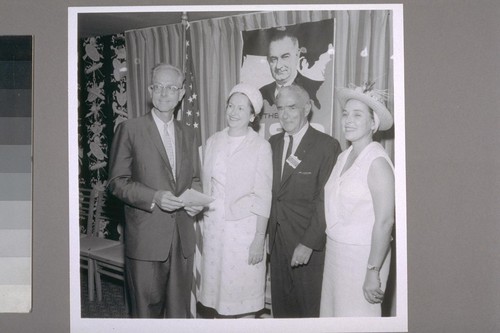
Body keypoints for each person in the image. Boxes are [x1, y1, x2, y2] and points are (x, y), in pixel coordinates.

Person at [107, 63, 203, 318]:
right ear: (150, 91)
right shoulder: (130, 129)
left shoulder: (189, 134)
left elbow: (194, 179)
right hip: (145, 241)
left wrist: (196, 201)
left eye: (171, 87)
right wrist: (154, 197)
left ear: (181, 93)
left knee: (177, 315)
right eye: (158, 87)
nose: (164, 93)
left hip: (182, 241)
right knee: (144, 314)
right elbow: (117, 182)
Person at [320, 83, 395, 317]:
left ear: (373, 124)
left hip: (363, 259)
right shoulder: (344, 156)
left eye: (357, 115)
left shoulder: (378, 163)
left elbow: (385, 221)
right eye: (345, 114)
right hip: (335, 254)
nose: (348, 120)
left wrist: (373, 271)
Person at [198, 83, 273, 318]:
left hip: (244, 230)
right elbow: (206, 185)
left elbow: (264, 195)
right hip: (214, 228)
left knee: (243, 297)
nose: (233, 112)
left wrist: (259, 239)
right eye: (231, 105)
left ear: (252, 116)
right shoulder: (213, 141)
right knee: (217, 296)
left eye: (241, 108)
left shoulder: (261, 147)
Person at [267, 85, 341, 317]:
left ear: (307, 108)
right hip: (277, 244)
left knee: (309, 313)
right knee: (281, 313)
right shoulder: (273, 143)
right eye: (280, 109)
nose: (285, 115)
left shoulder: (327, 146)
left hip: (307, 247)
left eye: (292, 107)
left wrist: (308, 243)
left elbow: (325, 201)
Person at [260, 29, 323, 110]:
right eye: (273, 59)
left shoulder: (316, 91)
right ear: (268, 60)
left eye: (285, 57)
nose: (278, 66)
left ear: (297, 55)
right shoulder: (260, 95)